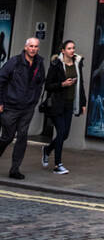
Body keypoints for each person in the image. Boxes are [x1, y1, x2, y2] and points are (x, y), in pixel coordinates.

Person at [0, 36, 45, 179]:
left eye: (36, 46)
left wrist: (34, 100)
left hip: (28, 108)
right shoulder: (14, 62)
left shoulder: (39, 63)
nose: (33, 49)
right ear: (26, 47)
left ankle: (15, 169)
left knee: (22, 138)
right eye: (31, 46)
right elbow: (1, 80)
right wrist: (1, 102)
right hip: (11, 107)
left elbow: (40, 83)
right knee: (7, 137)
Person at [42, 39, 86, 175]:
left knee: (65, 134)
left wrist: (83, 103)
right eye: (69, 48)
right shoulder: (56, 65)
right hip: (56, 104)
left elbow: (81, 85)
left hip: (69, 103)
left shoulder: (77, 64)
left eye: (73, 48)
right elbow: (48, 85)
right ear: (63, 51)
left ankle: (47, 150)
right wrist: (62, 84)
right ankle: (58, 165)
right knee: (61, 132)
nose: (72, 51)